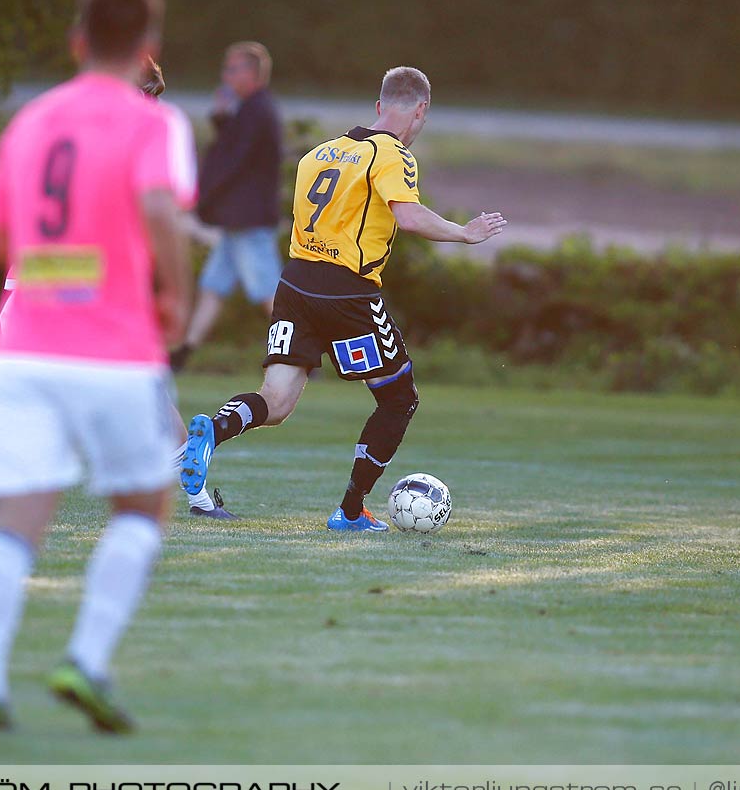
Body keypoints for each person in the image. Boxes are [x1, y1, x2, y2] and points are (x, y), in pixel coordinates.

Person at [0, 0, 195, 733]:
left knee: (14, 523)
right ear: (147, 47)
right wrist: (176, 295)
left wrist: (56, 271)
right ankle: (86, 661)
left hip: (22, 351)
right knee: (142, 506)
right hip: (117, 351)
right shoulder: (155, 122)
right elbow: (160, 203)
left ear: (77, 40)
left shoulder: (31, 119)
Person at [179, 67, 506, 530]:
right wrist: (464, 234)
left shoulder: (320, 153)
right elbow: (409, 218)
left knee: (275, 401)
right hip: (348, 292)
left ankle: (213, 430)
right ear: (420, 111)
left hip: (294, 285)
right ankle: (350, 512)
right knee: (398, 400)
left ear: (377, 106)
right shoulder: (393, 154)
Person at [0, 59, 236, 520]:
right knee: (137, 392)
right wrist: (174, 288)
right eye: (150, 92)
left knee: (50, 395)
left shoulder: (44, 116)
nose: (152, 101)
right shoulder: (142, 128)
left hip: (34, 275)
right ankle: (189, 496)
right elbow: (155, 210)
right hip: (96, 289)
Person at [170, 41, 283, 372]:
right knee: (213, 287)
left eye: (232, 69)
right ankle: (183, 353)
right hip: (238, 222)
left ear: (252, 73)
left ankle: (301, 353)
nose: (226, 76)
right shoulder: (249, 110)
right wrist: (222, 119)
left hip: (248, 221)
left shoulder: (257, 109)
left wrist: (199, 198)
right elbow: (235, 150)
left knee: (267, 292)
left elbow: (233, 163)